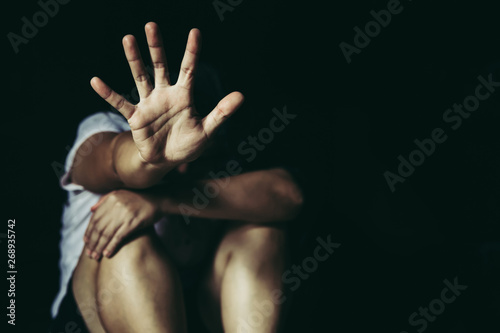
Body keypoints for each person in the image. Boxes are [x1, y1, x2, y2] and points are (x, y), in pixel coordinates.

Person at [50, 22, 303, 333]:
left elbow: (289, 195)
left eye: (197, 159)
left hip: (195, 316)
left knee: (260, 230)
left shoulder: (221, 165)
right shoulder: (101, 129)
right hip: (92, 316)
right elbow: (115, 161)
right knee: (126, 241)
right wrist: (152, 158)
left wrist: (161, 201)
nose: (184, 167)